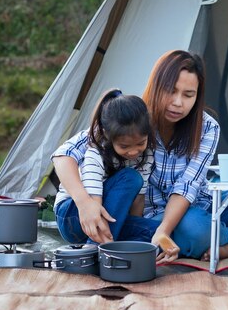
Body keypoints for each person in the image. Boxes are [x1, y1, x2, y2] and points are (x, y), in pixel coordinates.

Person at [53, 50, 228, 263]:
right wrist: (84, 202)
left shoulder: (207, 127)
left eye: (188, 95)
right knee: (196, 231)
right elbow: (64, 155)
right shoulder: (130, 116)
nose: (178, 103)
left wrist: (164, 231)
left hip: (199, 203)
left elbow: (188, 187)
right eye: (171, 91)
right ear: (155, 85)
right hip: (160, 217)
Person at [52, 89, 156, 244]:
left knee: (158, 233)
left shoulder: (146, 155)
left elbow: (138, 201)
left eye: (140, 143)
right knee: (130, 178)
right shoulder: (95, 151)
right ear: (108, 135)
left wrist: (135, 228)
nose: (134, 151)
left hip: (109, 217)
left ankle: (111, 246)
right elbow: (94, 203)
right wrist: (84, 203)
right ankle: (96, 249)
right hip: (74, 215)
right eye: (124, 146)